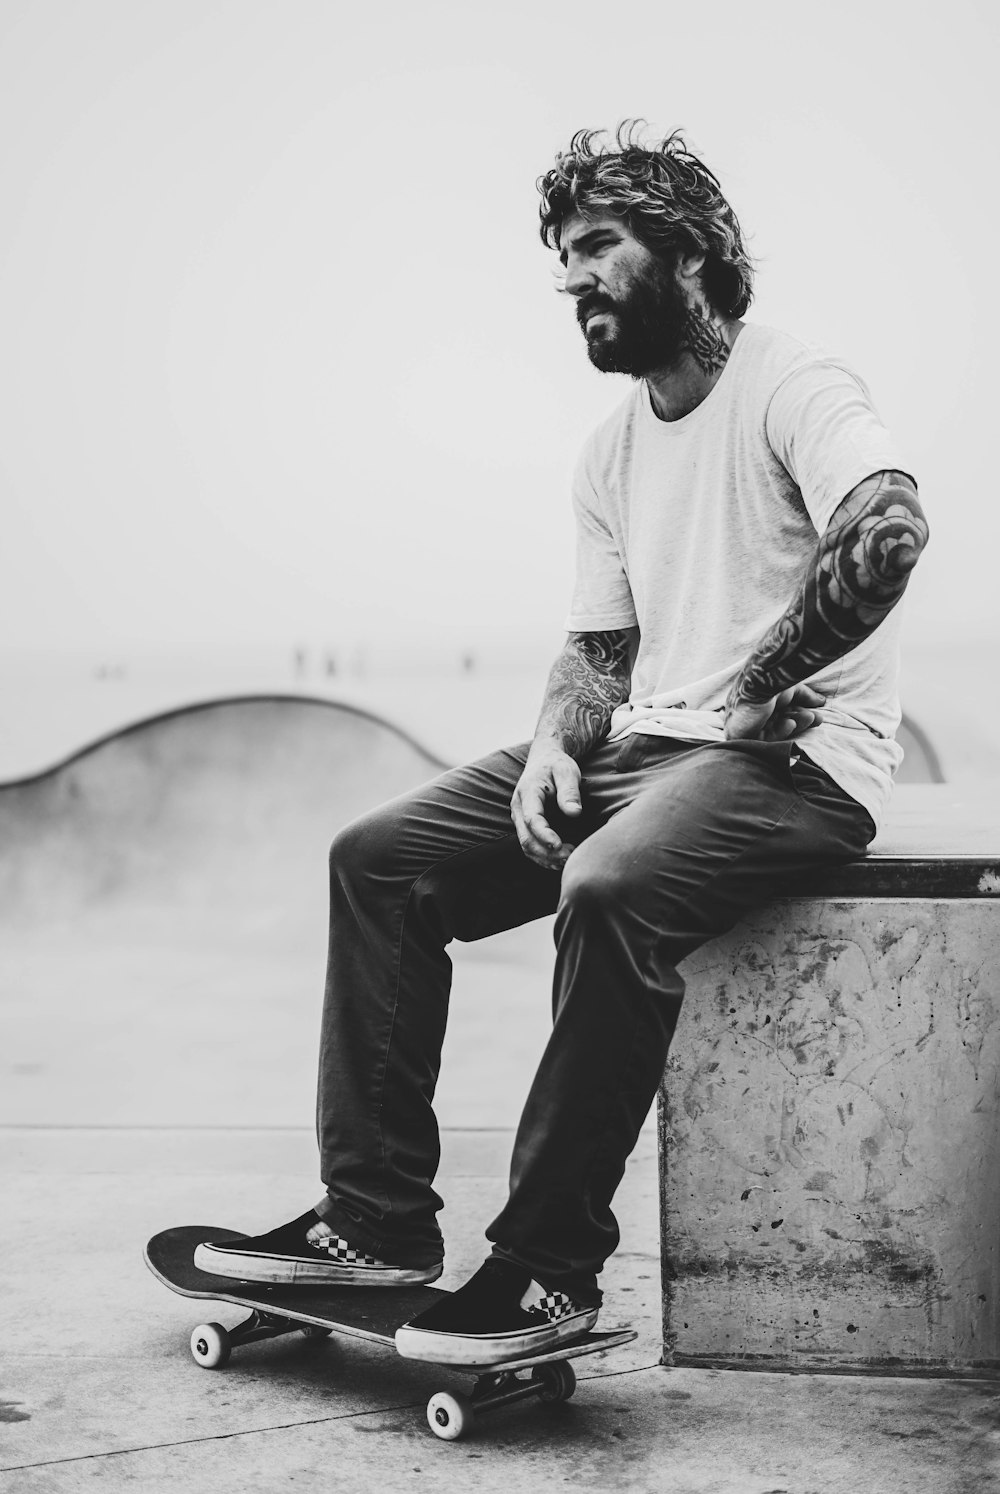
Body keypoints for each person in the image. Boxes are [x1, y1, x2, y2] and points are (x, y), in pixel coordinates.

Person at [195, 124, 928, 1368]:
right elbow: (598, 651)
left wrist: (757, 685)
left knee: (607, 888)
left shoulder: (790, 385)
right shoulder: (611, 450)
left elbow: (891, 526)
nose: (569, 278)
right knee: (378, 860)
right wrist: (549, 747)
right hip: (645, 749)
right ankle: (372, 1225)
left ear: (688, 254)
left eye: (597, 246)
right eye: (561, 256)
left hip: (794, 766)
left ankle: (544, 1274)